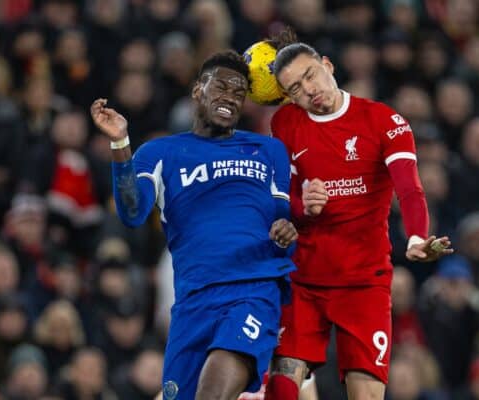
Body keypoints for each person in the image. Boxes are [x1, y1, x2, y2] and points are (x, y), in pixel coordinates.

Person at [90, 50, 299, 400]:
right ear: (197, 90)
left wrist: (285, 232)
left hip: (252, 289)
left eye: (238, 93)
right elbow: (132, 213)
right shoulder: (159, 153)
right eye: (221, 87)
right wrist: (120, 143)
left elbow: (282, 219)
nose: (230, 98)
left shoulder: (268, 150)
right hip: (192, 301)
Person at [262, 32, 453, 400]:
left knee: (365, 394)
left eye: (311, 75)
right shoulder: (285, 123)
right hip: (305, 278)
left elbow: (409, 188)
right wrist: (303, 205)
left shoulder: (382, 120)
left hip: (364, 280)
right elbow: (285, 204)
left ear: (328, 66)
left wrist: (416, 236)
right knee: (283, 382)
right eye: (296, 89)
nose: (309, 90)